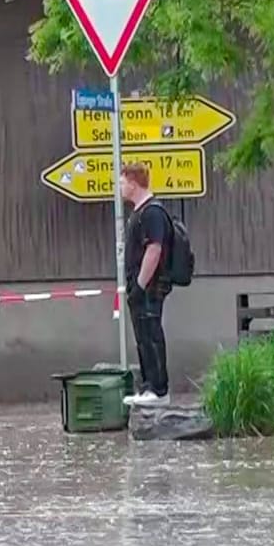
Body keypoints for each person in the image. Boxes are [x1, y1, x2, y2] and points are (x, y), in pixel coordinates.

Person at [119, 162, 173, 405]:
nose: (119, 188)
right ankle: (148, 386)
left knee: (151, 333)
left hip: (149, 287)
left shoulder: (152, 212)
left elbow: (154, 250)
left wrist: (140, 285)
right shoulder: (139, 212)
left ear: (133, 183)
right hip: (139, 285)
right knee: (142, 335)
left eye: (121, 182)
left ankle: (159, 390)